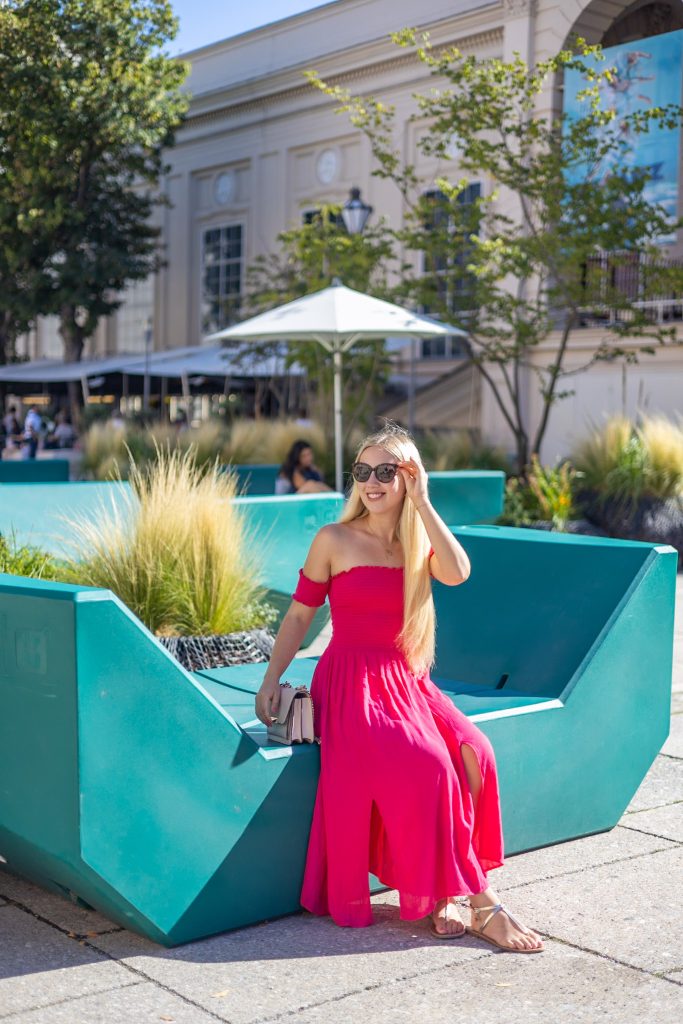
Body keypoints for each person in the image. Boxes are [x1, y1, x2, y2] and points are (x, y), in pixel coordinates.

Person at [256, 424, 544, 952]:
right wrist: (271, 679)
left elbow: (459, 572)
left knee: (476, 752)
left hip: (407, 679)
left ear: (409, 477)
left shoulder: (416, 544)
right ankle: (483, 902)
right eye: (363, 471)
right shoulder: (334, 539)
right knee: (430, 764)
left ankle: (444, 891)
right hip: (351, 682)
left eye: (386, 472)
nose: (371, 482)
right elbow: (299, 615)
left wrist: (424, 504)